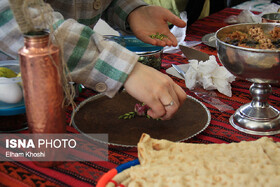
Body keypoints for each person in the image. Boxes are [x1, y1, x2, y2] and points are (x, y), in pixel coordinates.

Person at [0, 0, 187, 120]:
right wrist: (124, 69)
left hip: (68, 94)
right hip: (14, 107)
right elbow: (11, 17)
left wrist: (132, 11)